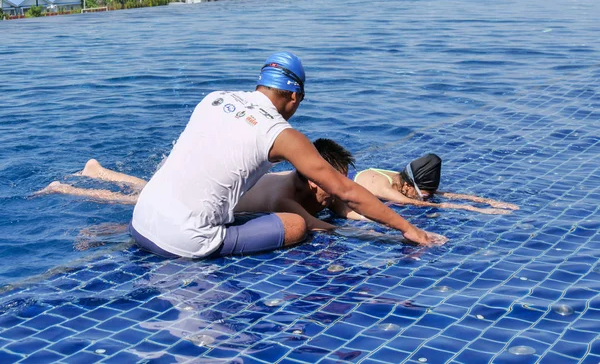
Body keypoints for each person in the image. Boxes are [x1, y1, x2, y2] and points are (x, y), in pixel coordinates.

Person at [54, 52, 446, 259]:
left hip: (139, 224)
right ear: (294, 97)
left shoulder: (214, 98)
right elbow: (345, 189)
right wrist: (408, 229)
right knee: (295, 224)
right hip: (183, 244)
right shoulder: (282, 134)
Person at [38, 138, 355, 228]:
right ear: (313, 182)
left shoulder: (321, 192)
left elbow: (350, 206)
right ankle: (66, 188)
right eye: (335, 181)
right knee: (138, 200)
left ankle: (98, 171)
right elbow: (320, 227)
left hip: (214, 187)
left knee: (150, 187)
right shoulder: (285, 198)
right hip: (201, 198)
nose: (341, 186)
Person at [335, 153, 519, 220]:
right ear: (408, 187)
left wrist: (486, 201)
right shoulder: (385, 189)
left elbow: (439, 193)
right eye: (423, 195)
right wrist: (472, 209)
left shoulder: (404, 181)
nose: (427, 198)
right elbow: (417, 204)